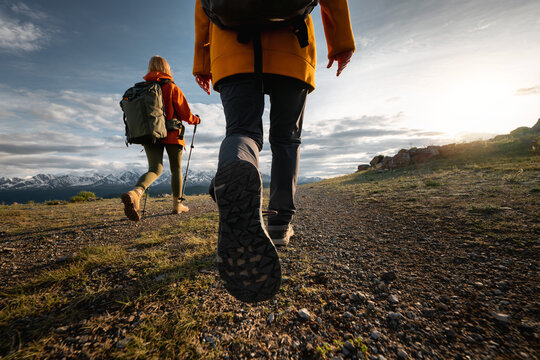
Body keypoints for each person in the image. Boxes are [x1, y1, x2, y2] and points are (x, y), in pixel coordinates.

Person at [193, 0, 355, 302]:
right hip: (292, 46)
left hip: (231, 50)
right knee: (286, 139)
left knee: (242, 132)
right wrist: (341, 40)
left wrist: (202, 62)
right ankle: (279, 224)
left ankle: (236, 165)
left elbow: (203, 5)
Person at [122, 55, 200, 222]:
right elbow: (186, 114)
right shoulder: (172, 87)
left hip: (150, 134)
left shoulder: (143, 89)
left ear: (150, 68)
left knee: (155, 169)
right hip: (172, 133)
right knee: (176, 169)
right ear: (166, 68)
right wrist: (196, 120)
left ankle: (135, 193)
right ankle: (177, 205)